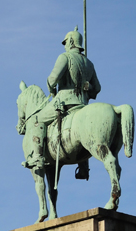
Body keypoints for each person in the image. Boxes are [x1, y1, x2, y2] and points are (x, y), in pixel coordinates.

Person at [27, 27, 101, 174]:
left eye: (66, 42)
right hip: (82, 105)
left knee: (37, 120)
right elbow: (97, 89)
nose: (65, 45)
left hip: (64, 102)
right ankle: (83, 167)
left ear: (71, 41)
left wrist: (52, 89)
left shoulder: (64, 57)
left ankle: (37, 157)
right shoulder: (89, 64)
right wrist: (87, 86)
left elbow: (52, 79)